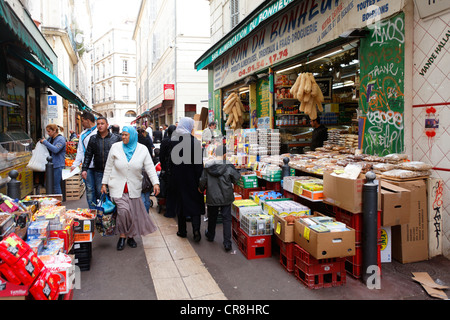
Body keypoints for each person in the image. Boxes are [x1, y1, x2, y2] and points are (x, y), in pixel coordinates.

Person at [101, 126, 160, 251]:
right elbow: (108, 166)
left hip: (134, 186)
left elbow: (149, 167)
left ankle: (131, 236)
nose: (123, 137)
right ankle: (122, 235)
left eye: (126, 135)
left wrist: (156, 183)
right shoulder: (115, 147)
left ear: (132, 135)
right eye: (122, 134)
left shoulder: (142, 149)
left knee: (132, 214)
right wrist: (104, 183)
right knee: (124, 211)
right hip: (117, 186)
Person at [199, 145, 241, 252]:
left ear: (214, 154)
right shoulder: (228, 166)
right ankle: (227, 243)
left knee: (212, 216)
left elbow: (203, 180)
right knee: (226, 219)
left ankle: (210, 235)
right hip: (226, 196)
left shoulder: (208, 166)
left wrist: (201, 188)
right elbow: (236, 179)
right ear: (224, 155)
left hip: (212, 196)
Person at [169, 117, 204, 241]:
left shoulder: (173, 140)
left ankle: (182, 231)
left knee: (181, 205)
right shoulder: (194, 141)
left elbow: (170, 162)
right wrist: (200, 180)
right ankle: (196, 230)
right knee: (194, 204)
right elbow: (199, 164)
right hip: (192, 179)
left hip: (178, 179)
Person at [81, 117, 121, 208]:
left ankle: (115, 215)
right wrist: (84, 169)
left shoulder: (116, 138)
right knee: (101, 194)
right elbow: (88, 155)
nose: (100, 126)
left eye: (102, 124)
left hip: (114, 172)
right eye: (98, 124)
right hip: (99, 171)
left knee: (114, 194)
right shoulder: (93, 139)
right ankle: (103, 216)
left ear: (107, 125)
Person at [71, 112, 97, 208]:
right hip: (88, 167)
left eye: (82, 121)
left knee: (99, 190)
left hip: (100, 167)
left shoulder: (99, 131)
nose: (81, 123)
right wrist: (75, 164)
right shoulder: (83, 134)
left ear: (88, 120)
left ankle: (101, 212)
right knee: (90, 190)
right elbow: (80, 151)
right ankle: (92, 211)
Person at [40, 124, 66, 194]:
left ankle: (59, 202)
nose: (48, 133)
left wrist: (45, 142)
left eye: (49, 131)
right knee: (47, 184)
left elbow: (56, 149)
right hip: (50, 165)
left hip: (58, 165)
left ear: (54, 130)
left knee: (56, 185)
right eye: (47, 132)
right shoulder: (50, 139)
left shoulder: (61, 139)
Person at [159, 124, 177, 218]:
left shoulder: (165, 141)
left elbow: (161, 156)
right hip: (177, 169)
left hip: (167, 169)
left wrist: (163, 167)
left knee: (169, 191)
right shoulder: (179, 141)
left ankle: (170, 211)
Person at [137, 127, 155, 212]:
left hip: (138, 163)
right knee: (146, 189)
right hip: (147, 161)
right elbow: (152, 146)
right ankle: (146, 213)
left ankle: (142, 212)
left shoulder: (135, 140)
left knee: (141, 189)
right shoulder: (147, 138)